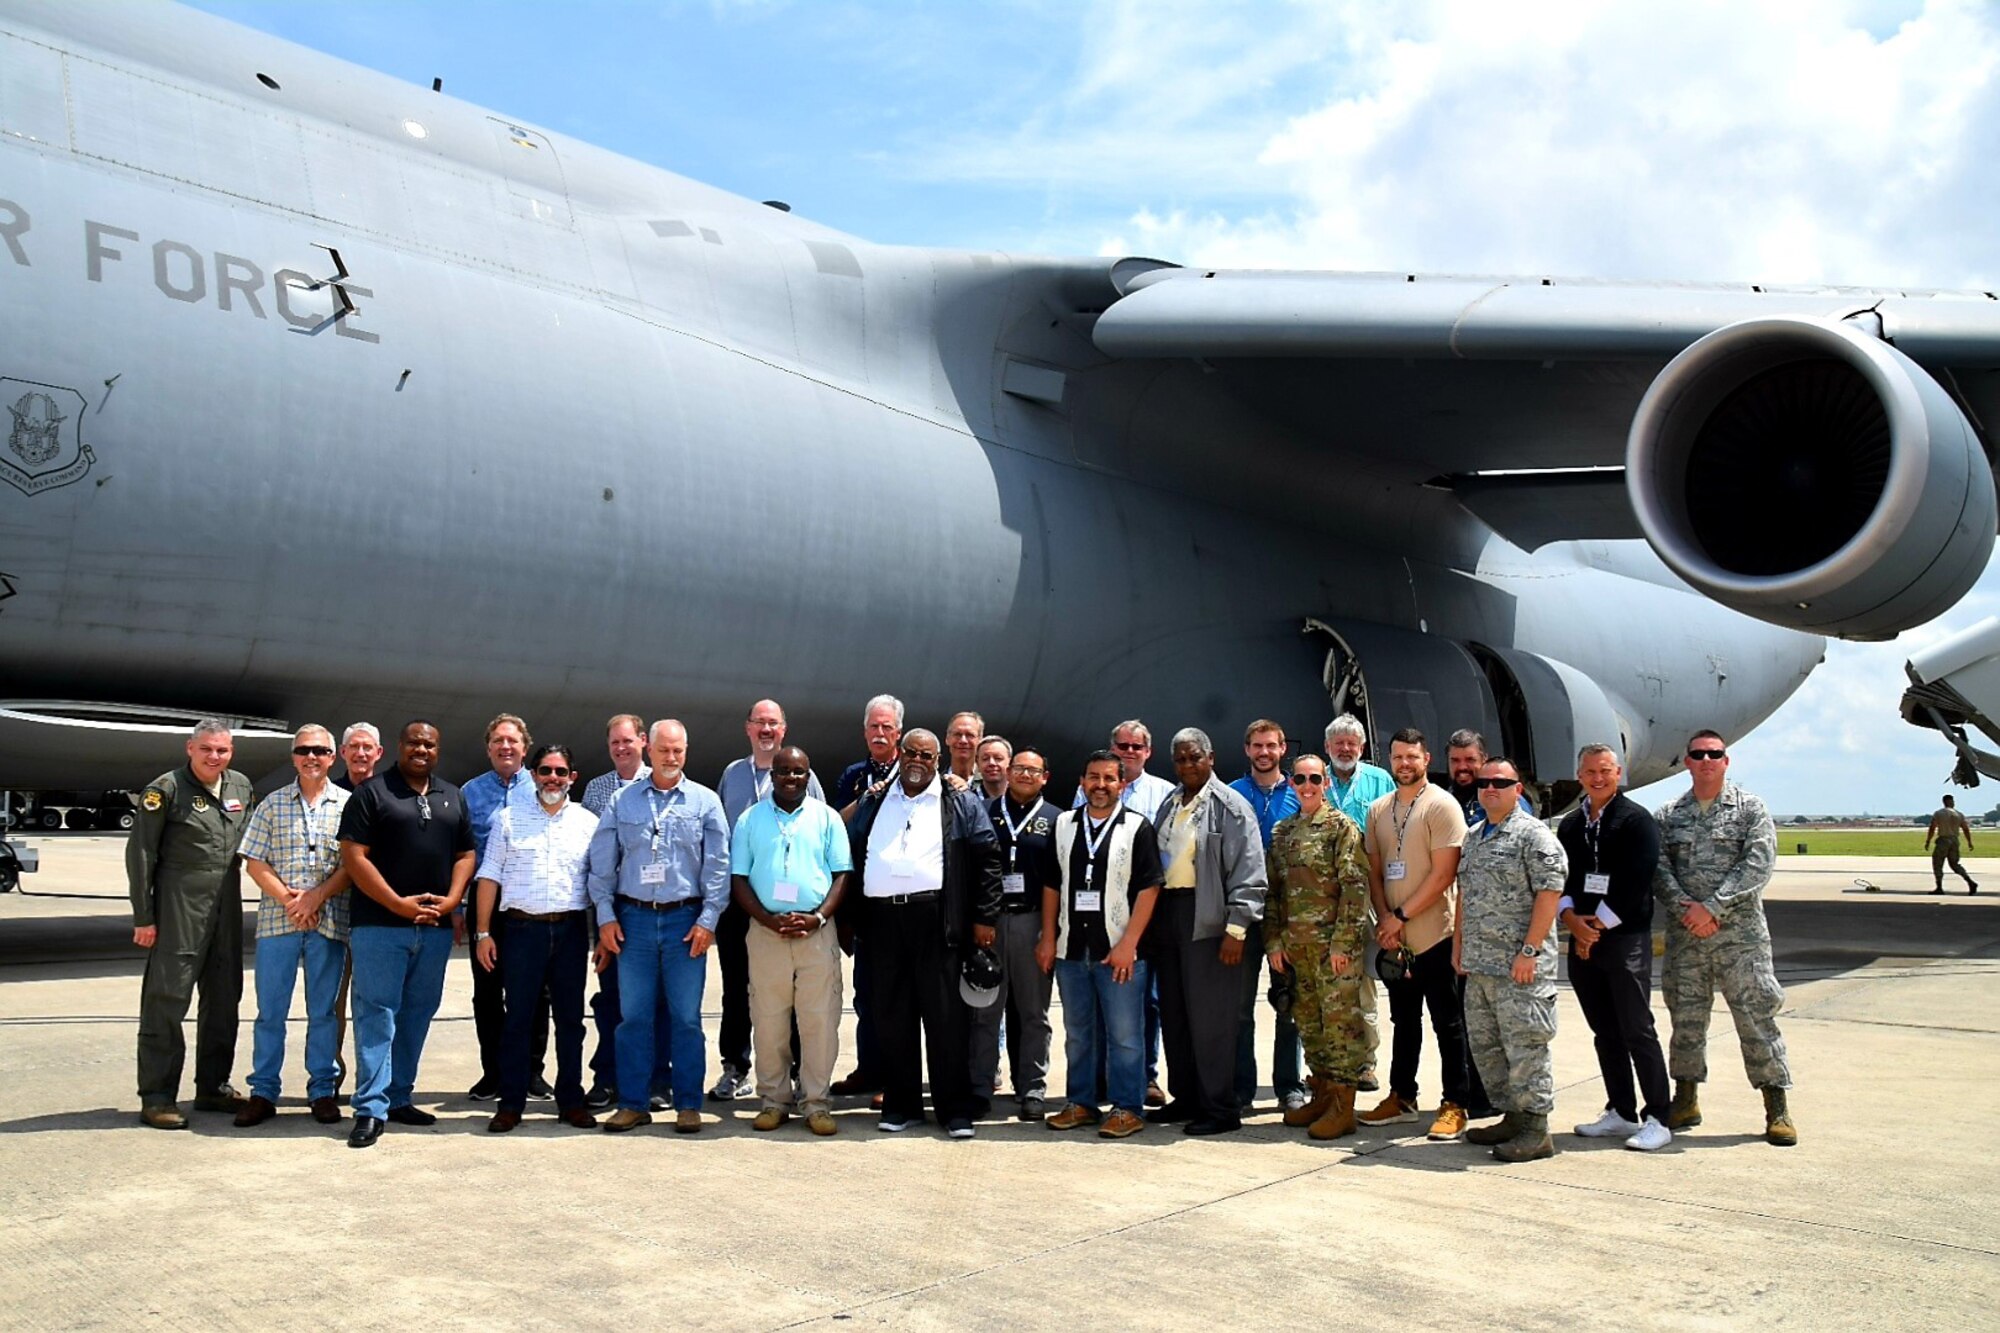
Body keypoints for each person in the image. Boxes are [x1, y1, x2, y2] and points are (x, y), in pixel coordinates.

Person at [842, 728, 1001, 1137]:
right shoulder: (877, 798)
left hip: (937, 920)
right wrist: (849, 916)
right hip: (882, 923)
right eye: (910, 753)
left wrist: (984, 917)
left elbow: (987, 857)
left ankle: (954, 1109)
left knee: (946, 1017)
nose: (917, 761)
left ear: (937, 761)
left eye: (926, 756)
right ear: (899, 755)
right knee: (892, 1015)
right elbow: (851, 849)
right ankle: (902, 1104)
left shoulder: (959, 800)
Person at [337, 720, 477, 1148]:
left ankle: (399, 1096)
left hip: (432, 931)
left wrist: (453, 900)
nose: (421, 749)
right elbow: (354, 857)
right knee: (376, 1014)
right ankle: (370, 1108)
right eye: (414, 742)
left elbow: (466, 852)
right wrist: (396, 903)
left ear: (438, 749)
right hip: (379, 927)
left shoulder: (452, 796)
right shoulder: (371, 794)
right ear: (399, 747)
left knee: (418, 1013)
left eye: (429, 744)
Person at [588, 720, 731, 1135]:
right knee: (632, 1017)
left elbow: (718, 866)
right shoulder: (622, 801)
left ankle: (688, 1103)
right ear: (649, 750)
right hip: (632, 920)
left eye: (679, 751)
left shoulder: (704, 802)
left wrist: (708, 920)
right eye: (664, 750)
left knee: (686, 1018)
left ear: (686, 751)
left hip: (685, 922)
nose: (671, 758)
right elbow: (602, 864)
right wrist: (606, 917)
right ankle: (633, 1102)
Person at [1654, 730, 1796, 1146]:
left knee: (1757, 1019)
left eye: (1713, 754)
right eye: (1697, 755)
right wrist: (1687, 908)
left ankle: (1777, 1106)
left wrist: (1711, 908)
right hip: (1687, 938)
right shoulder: (1668, 814)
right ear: (1687, 762)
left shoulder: (1750, 808)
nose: (1705, 761)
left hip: (1741, 940)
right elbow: (1659, 870)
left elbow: (1758, 865)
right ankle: (1686, 1098)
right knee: (1686, 1021)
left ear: (1725, 761)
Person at [128, 719, 257, 1129]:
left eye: (222, 750)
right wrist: (144, 917)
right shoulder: (164, 790)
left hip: (226, 906)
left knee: (224, 997)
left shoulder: (239, 786)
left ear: (230, 752)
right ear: (190, 748)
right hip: (179, 906)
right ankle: (157, 1095)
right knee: (167, 999)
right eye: (207, 749)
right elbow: (142, 855)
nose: (214, 757)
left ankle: (213, 1086)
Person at [1358, 728, 1486, 1140]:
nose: (1404, 764)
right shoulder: (1379, 809)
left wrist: (1399, 915)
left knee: (1448, 1023)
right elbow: (1374, 871)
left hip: (1435, 934)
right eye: (1397, 757)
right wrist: (1385, 921)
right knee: (1404, 1021)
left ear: (1426, 759)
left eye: (1412, 756)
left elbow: (1444, 874)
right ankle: (1402, 1096)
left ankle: (1455, 1102)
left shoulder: (1441, 806)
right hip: (1396, 940)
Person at [471, 744, 600, 1132]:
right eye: (545, 771)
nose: (553, 779)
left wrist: (604, 934)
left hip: (570, 931)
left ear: (572, 778)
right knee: (518, 1020)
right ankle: (510, 1104)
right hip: (520, 930)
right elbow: (489, 875)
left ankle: (571, 1101)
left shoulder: (587, 823)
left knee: (571, 1021)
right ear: (533, 774)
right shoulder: (509, 820)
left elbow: (599, 881)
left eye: (561, 772)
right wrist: (481, 933)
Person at [1038, 750, 1164, 1139]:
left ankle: (1127, 1107)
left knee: (1125, 1035)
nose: (1100, 785)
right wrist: (1047, 936)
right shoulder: (1063, 825)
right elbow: (1051, 884)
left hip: (1118, 950)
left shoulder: (1137, 827)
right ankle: (1081, 1103)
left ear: (1122, 785)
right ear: (1082, 781)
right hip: (1072, 949)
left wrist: (1130, 943)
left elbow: (1149, 887)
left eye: (1109, 779)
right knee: (1078, 1032)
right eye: (1093, 777)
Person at [1147, 727, 1266, 1136]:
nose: (1187, 765)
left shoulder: (1231, 806)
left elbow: (1250, 872)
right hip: (1169, 915)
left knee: (1211, 1019)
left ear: (1210, 758)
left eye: (1194, 757)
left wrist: (1236, 929)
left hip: (1210, 918)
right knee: (1176, 1013)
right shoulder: (1171, 801)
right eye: (1180, 759)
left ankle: (1220, 1108)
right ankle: (1187, 1097)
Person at [729, 745, 851, 1136]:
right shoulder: (750, 820)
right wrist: (765, 919)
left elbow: (842, 874)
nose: (791, 778)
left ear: (808, 775)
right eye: (783, 771)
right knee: (768, 1020)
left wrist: (818, 917)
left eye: (799, 772)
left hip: (815, 932)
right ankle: (773, 1100)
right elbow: (738, 878)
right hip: (767, 933)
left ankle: (816, 1102)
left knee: (819, 1020)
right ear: (772, 775)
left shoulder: (827, 818)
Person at [235, 724, 352, 1127]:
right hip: (278, 923)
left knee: (323, 1012)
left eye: (320, 750)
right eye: (304, 750)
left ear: (333, 757)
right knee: (271, 1012)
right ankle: (263, 1091)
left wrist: (316, 897)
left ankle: (322, 1089)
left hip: (328, 922)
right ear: (293, 757)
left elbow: (352, 864)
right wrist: (292, 900)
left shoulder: (347, 805)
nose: (312, 757)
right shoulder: (272, 804)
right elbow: (254, 860)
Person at [1557, 744, 1672, 1152]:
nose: (1598, 777)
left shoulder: (1636, 821)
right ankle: (1621, 1111)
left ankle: (1658, 1115)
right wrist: (1571, 920)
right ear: (1580, 775)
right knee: (1604, 1031)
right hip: (1583, 937)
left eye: (1605, 770)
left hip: (1623, 938)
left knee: (1636, 1028)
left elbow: (1635, 881)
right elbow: (1565, 879)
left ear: (1618, 772)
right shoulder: (1572, 825)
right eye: (1590, 771)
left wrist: (1596, 928)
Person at [713, 699, 825, 1103]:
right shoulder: (732, 775)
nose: (766, 730)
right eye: (759, 722)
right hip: (739, 904)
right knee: (735, 988)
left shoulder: (800, 776)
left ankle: (793, 1072)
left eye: (773, 723)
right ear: (747, 728)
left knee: (789, 990)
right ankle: (735, 1067)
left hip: (786, 908)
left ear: (784, 729)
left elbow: (820, 832)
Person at [1455, 758, 1566, 1162]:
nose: (1490, 788)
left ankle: (1536, 1128)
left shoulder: (1533, 836)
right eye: (1484, 782)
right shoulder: (1473, 837)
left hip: (1520, 968)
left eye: (1500, 782)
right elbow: (1465, 895)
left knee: (1526, 1047)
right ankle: (1514, 1117)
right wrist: (1459, 947)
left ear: (1518, 789)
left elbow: (1550, 893)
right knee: (1489, 1048)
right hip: (1481, 964)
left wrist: (1530, 950)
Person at [1265, 753, 1374, 1140]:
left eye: (1314, 778)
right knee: (1310, 1024)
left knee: (1340, 1026)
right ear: (1291, 784)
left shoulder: (1340, 828)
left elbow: (1354, 888)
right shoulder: (1282, 832)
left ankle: (1344, 1105)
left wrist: (1344, 942)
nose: (1307, 786)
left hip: (1333, 950)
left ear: (1325, 783)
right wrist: (1274, 941)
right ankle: (1323, 1094)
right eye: (1300, 779)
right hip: (1297, 950)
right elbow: (1274, 892)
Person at [1073, 718, 1177, 1106]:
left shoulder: (1165, 793)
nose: (1129, 752)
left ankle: (1146, 1077)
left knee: (1146, 1003)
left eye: (1136, 747)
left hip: (1147, 915)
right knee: (1097, 1004)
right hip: (1095, 916)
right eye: (1122, 746)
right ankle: (1101, 1079)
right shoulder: (1087, 792)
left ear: (1147, 752)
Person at [462, 714, 548, 1102]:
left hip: (530, 904)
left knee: (534, 992)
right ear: (488, 748)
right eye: (498, 741)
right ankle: (493, 1072)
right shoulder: (470, 792)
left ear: (525, 748)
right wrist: (457, 907)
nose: (505, 747)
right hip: (486, 906)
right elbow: (461, 853)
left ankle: (532, 1072)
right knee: (487, 992)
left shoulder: (544, 785)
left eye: (512, 741)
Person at [971, 741, 1059, 1121]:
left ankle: (1033, 1088)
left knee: (1033, 1011)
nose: (1025, 775)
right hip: (989, 922)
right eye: (1019, 768)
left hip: (1032, 921)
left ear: (1045, 778)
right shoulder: (982, 812)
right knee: (984, 1010)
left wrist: (1050, 933)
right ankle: (978, 1085)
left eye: (1033, 771)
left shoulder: (1058, 820)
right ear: (1007, 773)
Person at [830, 694, 905, 1099]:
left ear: (898, 733)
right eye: (874, 727)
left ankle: (895, 1077)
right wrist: (867, 798)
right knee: (866, 992)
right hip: (863, 899)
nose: (880, 733)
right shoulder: (854, 776)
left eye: (887, 727)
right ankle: (868, 1069)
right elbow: (835, 825)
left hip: (900, 898)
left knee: (899, 995)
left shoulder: (914, 772)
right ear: (865, 732)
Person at [1228, 719, 1304, 1113]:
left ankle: (1289, 1085)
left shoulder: (1299, 792)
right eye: (1257, 745)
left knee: (1288, 1004)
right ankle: (1241, 1088)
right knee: (1240, 1009)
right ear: (1247, 749)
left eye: (1271, 746)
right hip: (1244, 915)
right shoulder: (1230, 795)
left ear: (1281, 750)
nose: (1264, 752)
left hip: (1287, 917)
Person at [1325, 713, 1395, 1094]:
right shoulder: (1314, 778)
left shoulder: (1379, 781)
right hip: (1323, 896)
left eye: (1352, 743)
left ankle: (1366, 1063)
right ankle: (1325, 1064)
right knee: (1325, 981)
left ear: (1362, 748)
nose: (1345, 749)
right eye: (1339, 743)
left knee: (1365, 979)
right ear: (1328, 748)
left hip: (1366, 891)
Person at [1444, 729, 1533, 827]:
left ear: (1484, 759)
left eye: (1470, 760)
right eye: (1455, 761)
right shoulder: (1444, 800)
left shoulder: (1505, 798)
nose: (1462, 767)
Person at [1925, 794, 1978, 894]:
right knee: (1955, 864)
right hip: (1954, 840)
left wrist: (1928, 841)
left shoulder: (1939, 813)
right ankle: (1970, 881)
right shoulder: (1959, 814)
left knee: (1938, 863)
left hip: (1943, 840)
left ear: (1944, 802)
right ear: (1952, 802)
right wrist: (1969, 842)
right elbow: (1965, 829)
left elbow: (1932, 827)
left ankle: (1939, 887)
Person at [334, 722, 382, 791]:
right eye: (354, 746)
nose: (360, 754)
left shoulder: (387, 795)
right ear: (343, 751)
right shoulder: (330, 794)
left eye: (367, 747)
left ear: (378, 752)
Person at [944, 711, 984, 786]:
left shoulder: (989, 784)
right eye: (957, 734)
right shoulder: (935, 784)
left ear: (980, 740)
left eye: (970, 735)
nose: (963, 741)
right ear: (947, 739)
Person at [975, 735, 1013, 802]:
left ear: (1010, 762)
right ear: (977, 763)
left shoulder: (1021, 798)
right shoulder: (967, 801)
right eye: (985, 759)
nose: (991, 763)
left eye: (998, 758)